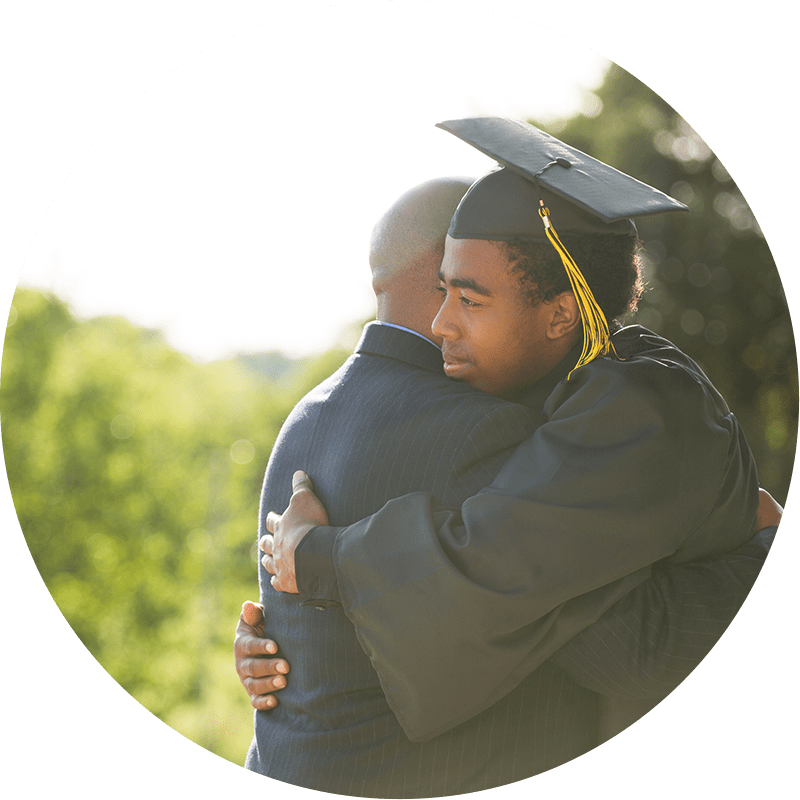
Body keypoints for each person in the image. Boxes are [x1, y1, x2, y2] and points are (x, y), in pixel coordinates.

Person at [260, 118, 774, 752]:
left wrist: (315, 557)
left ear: (561, 313)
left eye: (471, 301)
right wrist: (291, 644)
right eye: (443, 291)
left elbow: (502, 565)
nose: (442, 323)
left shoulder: (642, 404)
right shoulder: (558, 385)